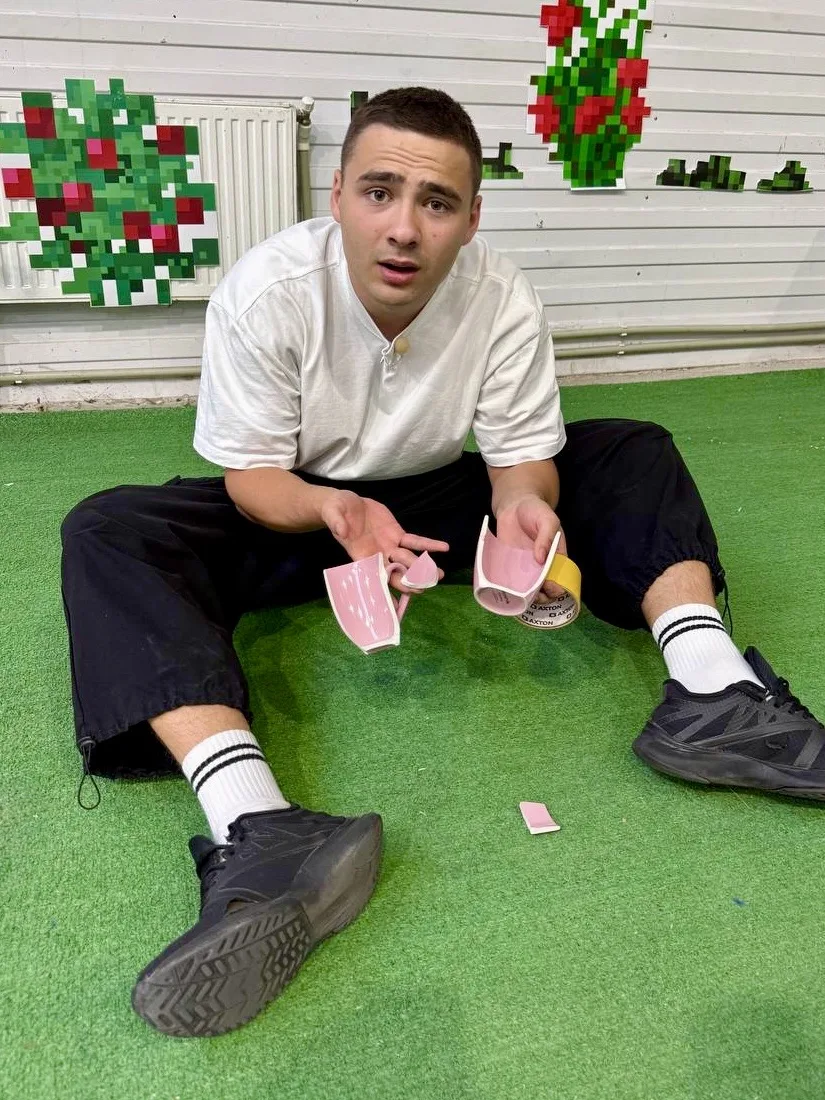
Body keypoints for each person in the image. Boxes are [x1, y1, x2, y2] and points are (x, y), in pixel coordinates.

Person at [60, 86, 825, 1039]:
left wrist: (523, 508)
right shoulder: (265, 291)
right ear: (337, 196)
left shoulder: (500, 297)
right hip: (298, 507)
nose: (404, 228)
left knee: (631, 447)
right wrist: (334, 510)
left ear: (470, 218)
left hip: (433, 505)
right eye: (379, 192)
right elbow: (252, 478)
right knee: (109, 528)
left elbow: (520, 457)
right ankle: (259, 826)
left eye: (436, 203)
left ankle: (714, 695)